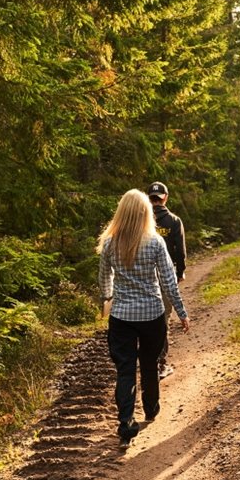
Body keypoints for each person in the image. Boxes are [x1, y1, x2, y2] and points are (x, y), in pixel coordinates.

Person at [98, 190, 191, 449]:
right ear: (145, 213)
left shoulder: (109, 243)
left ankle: (126, 424)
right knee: (149, 363)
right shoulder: (154, 242)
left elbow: (104, 280)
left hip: (121, 317)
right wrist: (182, 313)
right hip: (152, 314)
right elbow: (169, 282)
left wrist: (107, 299)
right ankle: (150, 409)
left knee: (125, 369)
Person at [148, 181, 186, 380]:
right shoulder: (174, 221)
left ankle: (148, 360)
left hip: (145, 275)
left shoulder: (141, 221)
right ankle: (160, 363)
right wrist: (180, 272)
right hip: (166, 275)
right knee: (162, 320)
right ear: (166, 197)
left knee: (146, 319)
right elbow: (180, 250)